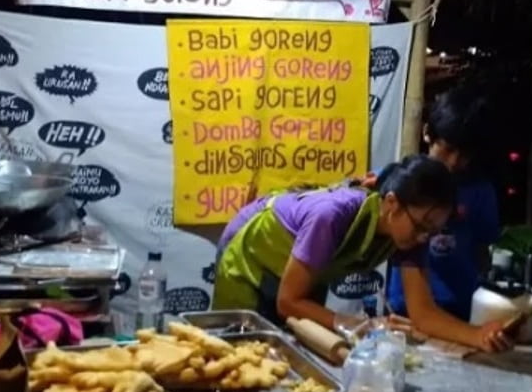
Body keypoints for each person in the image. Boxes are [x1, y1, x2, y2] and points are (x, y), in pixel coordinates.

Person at [212, 155, 511, 352]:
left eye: (432, 231)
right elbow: (289, 302)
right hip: (249, 253)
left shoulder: (411, 235)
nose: (423, 237)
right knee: (240, 352)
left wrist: (479, 335)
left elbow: (423, 313)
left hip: (295, 268)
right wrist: (357, 325)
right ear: (392, 203)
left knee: (295, 347)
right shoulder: (332, 215)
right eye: (421, 226)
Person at [386, 86, 501, 321]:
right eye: (447, 149)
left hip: (460, 308)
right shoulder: (400, 182)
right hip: (403, 309)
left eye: (464, 155)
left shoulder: (480, 192)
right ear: (427, 133)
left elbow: (482, 251)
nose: (453, 162)